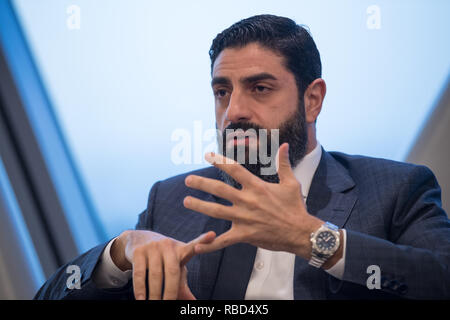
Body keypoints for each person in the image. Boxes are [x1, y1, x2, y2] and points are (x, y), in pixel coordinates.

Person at [35, 14, 450, 300]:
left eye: (260, 88)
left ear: (312, 100)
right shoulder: (172, 200)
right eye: (222, 92)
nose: (234, 112)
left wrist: (311, 238)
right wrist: (120, 252)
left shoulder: (396, 190)